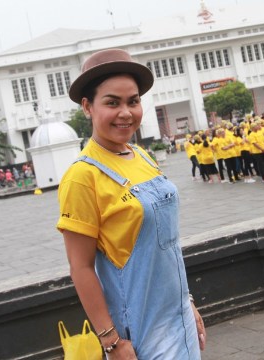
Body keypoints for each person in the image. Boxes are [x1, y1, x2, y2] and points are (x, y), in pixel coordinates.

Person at [57, 48, 205, 359]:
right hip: (139, 329)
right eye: (112, 102)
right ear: (87, 106)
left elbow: (169, 247)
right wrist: (111, 341)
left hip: (177, 314)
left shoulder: (143, 157)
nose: (126, 112)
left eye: (133, 101)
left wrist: (187, 302)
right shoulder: (83, 176)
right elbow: (81, 267)